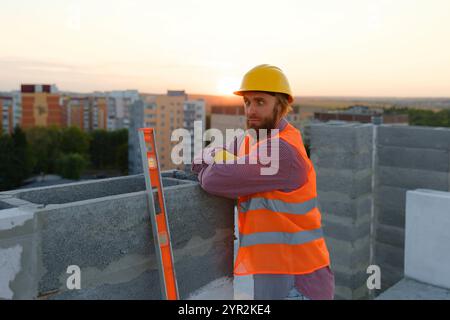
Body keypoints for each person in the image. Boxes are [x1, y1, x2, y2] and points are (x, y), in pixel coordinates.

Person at [191, 64, 335, 300]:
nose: (250, 110)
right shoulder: (250, 140)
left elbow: (212, 179)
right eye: (247, 102)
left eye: (260, 102)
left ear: (281, 105)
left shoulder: (284, 152)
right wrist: (215, 160)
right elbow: (199, 159)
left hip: (300, 282)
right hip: (272, 277)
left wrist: (216, 164)